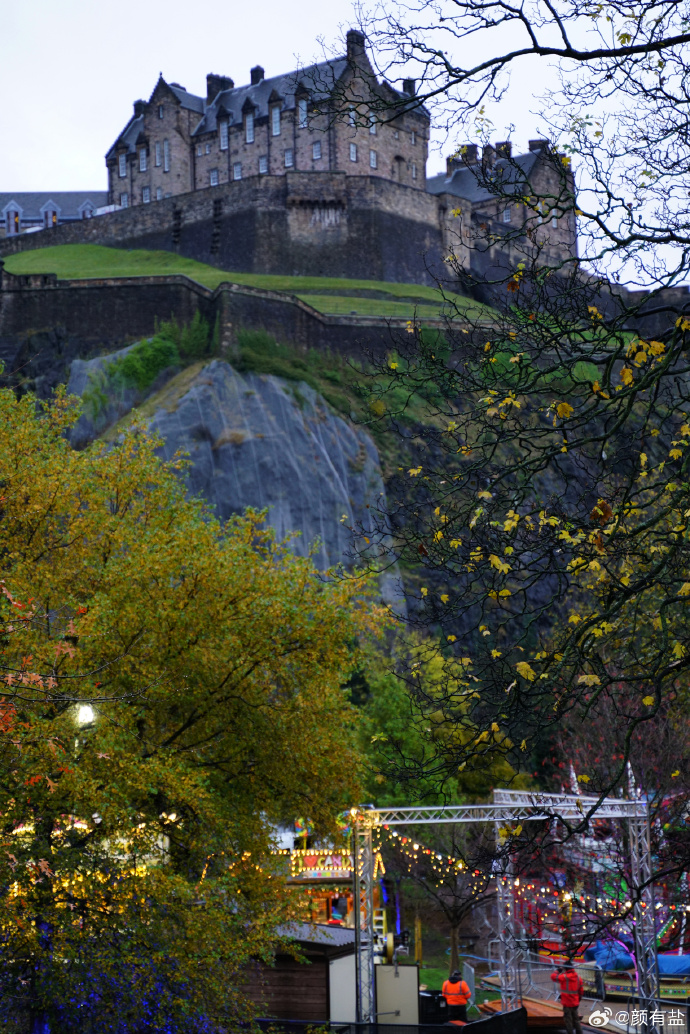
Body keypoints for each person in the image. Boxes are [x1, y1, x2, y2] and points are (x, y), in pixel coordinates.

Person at [551, 961, 584, 1034]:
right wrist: (579, 1000)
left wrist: (558, 970)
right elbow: (581, 991)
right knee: (576, 1019)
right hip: (575, 1002)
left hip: (566, 1003)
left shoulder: (564, 977)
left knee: (568, 1020)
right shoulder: (578, 977)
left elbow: (553, 977)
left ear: (565, 968)